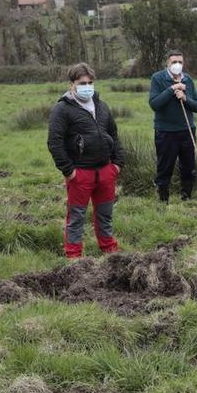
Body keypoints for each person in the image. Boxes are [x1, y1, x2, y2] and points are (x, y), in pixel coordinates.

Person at [47, 62, 124, 259]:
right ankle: (74, 258)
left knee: (105, 215)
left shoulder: (101, 106)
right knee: (76, 217)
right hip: (80, 174)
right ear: (72, 84)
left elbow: (113, 134)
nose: (87, 86)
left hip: (106, 171)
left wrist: (117, 164)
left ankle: (110, 252)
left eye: (90, 82)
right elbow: (54, 142)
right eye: (82, 83)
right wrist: (69, 171)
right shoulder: (62, 109)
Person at [148, 49, 197, 203]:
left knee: (188, 167)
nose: (177, 65)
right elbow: (154, 104)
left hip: (187, 130)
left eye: (180, 62)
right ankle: (163, 200)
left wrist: (185, 98)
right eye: (174, 62)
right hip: (165, 132)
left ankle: (187, 197)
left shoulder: (188, 80)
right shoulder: (158, 78)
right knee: (165, 167)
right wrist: (172, 89)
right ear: (168, 63)